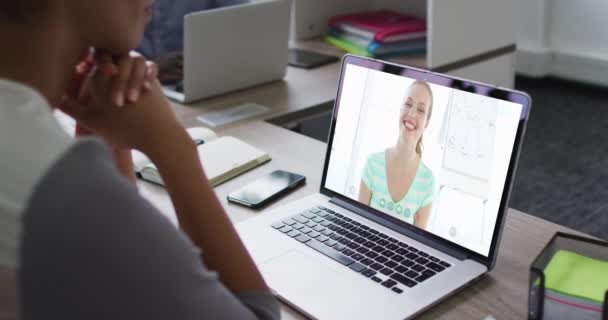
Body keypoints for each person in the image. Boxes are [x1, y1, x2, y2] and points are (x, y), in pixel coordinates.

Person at [0, 1, 278, 319]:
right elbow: (257, 314)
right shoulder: (55, 185)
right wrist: (172, 146)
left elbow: (111, 274)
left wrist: (107, 137)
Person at [358, 81, 436, 230]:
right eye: (408, 104)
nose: (412, 113)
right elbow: (358, 225)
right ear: (400, 109)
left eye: (421, 110)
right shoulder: (373, 164)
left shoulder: (427, 182)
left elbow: (418, 245)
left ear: (426, 123)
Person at [138, 0, 249, 82]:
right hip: (135, 82)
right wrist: (148, 67)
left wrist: (198, 63)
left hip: (202, 79)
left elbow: (239, 31)